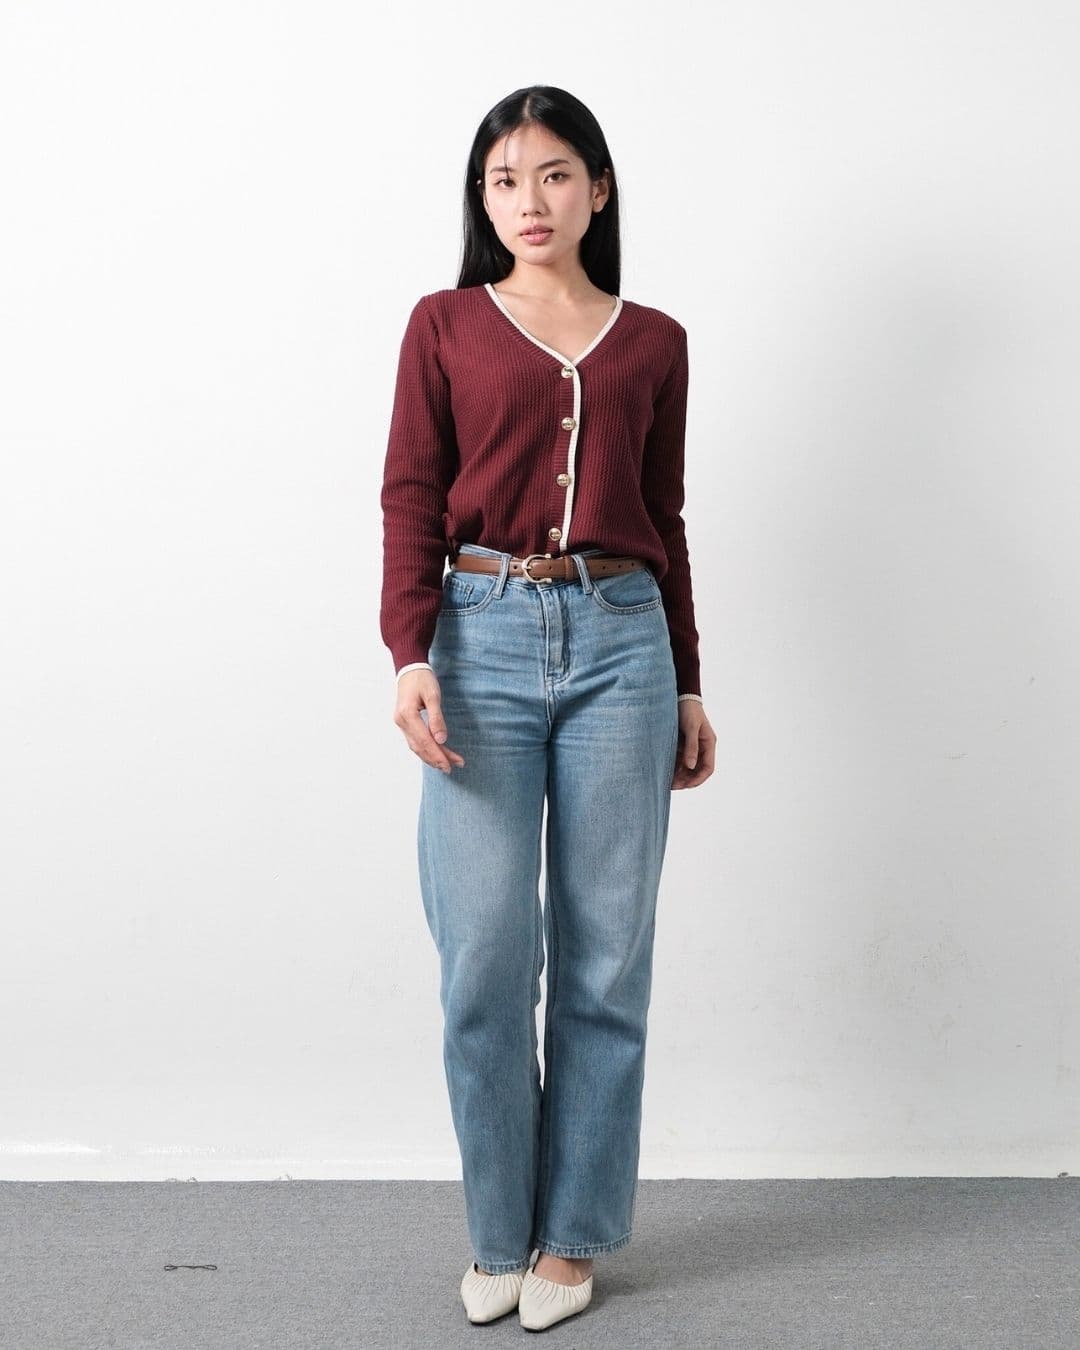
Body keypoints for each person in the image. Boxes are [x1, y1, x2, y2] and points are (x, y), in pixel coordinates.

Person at [379, 84, 716, 1332]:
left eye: (557, 174)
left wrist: (689, 678)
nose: (531, 200)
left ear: (599, 189)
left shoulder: (655, 341)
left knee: (606, 958)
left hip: (625, 641)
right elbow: (412, 494)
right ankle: (498, 1232)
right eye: (507, 179)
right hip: (478, 641)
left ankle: (572, 1239)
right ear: (483, 198)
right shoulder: (445, 325)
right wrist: (409, 650)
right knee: (483, 957)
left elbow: (665, 518)